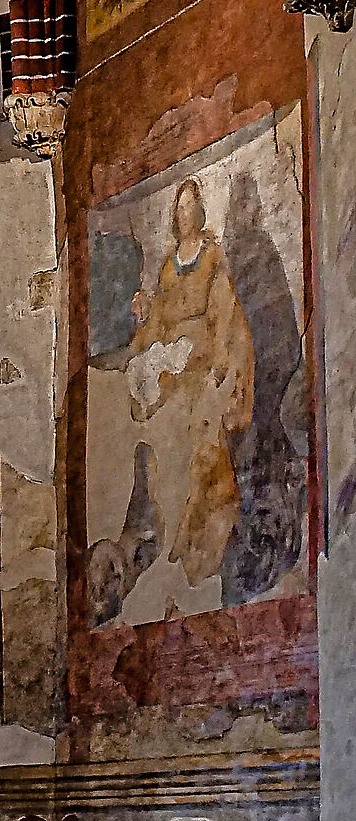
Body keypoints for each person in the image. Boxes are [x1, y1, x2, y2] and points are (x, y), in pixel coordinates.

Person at [123, 177, 253, 587]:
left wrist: (219, 364)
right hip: (173, 362)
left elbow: (225, 314)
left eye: (190, 206)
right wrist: (146, 315)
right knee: (162, 442)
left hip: (201, 359)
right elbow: (160, 318)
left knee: (202, 440)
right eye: (179, 209)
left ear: (200, 212)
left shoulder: (213, 257)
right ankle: (172, 532)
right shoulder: (167, 266)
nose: (185, 214)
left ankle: (200, 539)